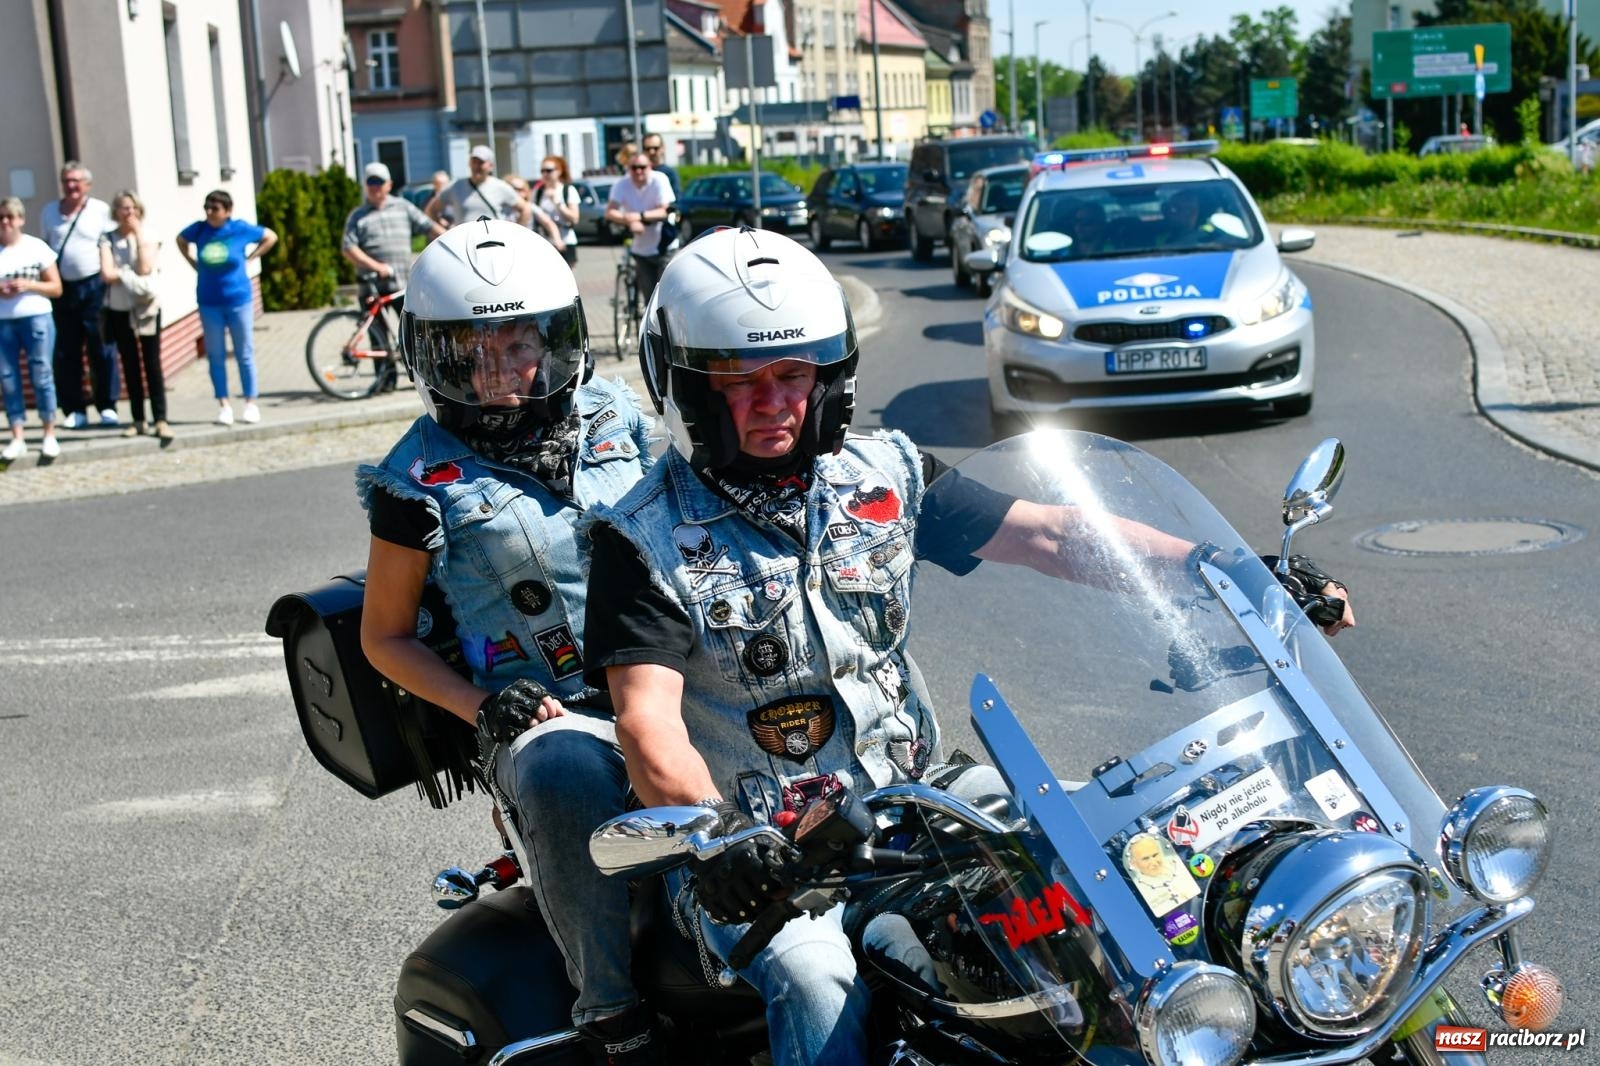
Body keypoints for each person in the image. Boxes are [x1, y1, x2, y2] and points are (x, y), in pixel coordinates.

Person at [580, 228, 1357, 1065]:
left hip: (924, 802)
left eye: (794, 375)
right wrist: (724, 836)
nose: (776, 402)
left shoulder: (882, 475)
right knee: (818, 984)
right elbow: (645, 718)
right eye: (741, 381)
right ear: (686, 388)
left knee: (1119, 862)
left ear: (828, 380)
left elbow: (1055, 537)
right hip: (770, 864)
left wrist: (1225, 570)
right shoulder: (642, 539)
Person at [355, 219, 660, 1065]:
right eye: (471, 352)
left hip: (658, 673)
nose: (501, 371)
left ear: (554, 341)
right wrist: (487, 707)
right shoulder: (414, 480)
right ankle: (609, 1008)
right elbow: (384, 636)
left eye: (519, 343)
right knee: (562, 768)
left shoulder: (615, 416)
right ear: (433, 358)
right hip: (540, 709)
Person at [176, 189, 278, 426]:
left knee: (244, 353)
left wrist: (252, 257)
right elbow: (180, 240)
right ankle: (223, 403)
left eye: (215, 208)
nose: (210, 212)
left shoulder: (239, 229)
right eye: (207, 207)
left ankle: (251, 402)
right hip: (209, 301)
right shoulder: (199, 230)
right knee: (216, 355)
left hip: (238, 299)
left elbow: (270, 236)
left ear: (227, 211)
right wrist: (192, 261)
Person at [39, 161, 117, 429]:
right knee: (66, 351)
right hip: (64, 289)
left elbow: (107, 244)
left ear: (87, 184)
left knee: (100, 347)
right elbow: (47, 249)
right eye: (66, 181)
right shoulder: (50, 211)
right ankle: (74, 409)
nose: (71, 186)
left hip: (94, 286)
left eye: (76, 181)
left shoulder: (99, 210)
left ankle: (107, 405)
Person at [98, 190, 170, 442]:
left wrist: (138, 236)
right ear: (115, 212)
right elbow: (107, 273)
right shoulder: (107, 238)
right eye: (122, 208)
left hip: (146, 309)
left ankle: (160, 418)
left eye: (131, 208)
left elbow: (145, 267)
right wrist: (130, 275)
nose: (127, 213)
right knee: (130, 364)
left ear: (139, 210)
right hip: (120, 309)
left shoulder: (149, 235)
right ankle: (138, 419)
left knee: (152, 364)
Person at [0, 197, 64, 461]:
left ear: (21, 220)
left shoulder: (36, 248)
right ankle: (18, 436)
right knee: (8, 379)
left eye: (10, 217)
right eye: (1, 217)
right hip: (3, 322)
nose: (5, 222)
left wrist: (29, 285)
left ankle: (49, 433)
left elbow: (56, 288)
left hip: (35, 317)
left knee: (42, 374)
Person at [342, 161, 445, 291]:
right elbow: (348, 248)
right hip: (372, 288)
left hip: (403, 287)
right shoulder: (357, 216)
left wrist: (453, 239)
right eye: (370, 182)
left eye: (379, 182)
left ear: (389, 185)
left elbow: (429, 226)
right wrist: (378, 267)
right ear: (365, 186)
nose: (375, 187)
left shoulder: (403, 206)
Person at [604, 153, 675, 305]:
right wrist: (628, 220)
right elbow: (610, 211)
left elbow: (664, 210)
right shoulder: (621, 184)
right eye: (634, 168)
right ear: (628, 169)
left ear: (649, 167)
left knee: (665, 296)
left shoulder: (659, 179)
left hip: (664, 244)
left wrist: (638, 216)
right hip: (641, 248)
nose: (638, 171)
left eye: (642, 167)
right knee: (649, 299)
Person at [426, 146, 532, 228]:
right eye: (474, 162)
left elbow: (525, 210)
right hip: (464, 242)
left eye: (481, 163)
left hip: (493, 242)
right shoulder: (455, 186)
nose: (477, 166)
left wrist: (513, 234)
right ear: (469, 163)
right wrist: (443, 229)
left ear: (490, 166)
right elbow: (432, 209)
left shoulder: (500, 187)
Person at [533, 155, 583, 266]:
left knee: (566, 278)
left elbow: (574, 218)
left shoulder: (567, 190)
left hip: (566, 239)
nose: (545, 174)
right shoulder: (538, 192)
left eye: (549, 170)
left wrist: (558, 204)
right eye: (542, 171)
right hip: (544, 241)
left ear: (559, 171)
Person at [505, 172, 568, 252]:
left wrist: (557, 240)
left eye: (521, 189)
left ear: (526, 191)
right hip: (507, 247)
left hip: (527, 247)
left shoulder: (531, 207)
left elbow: (549, 223)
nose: (517, 192)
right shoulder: (501, 208)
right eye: (513, 189)